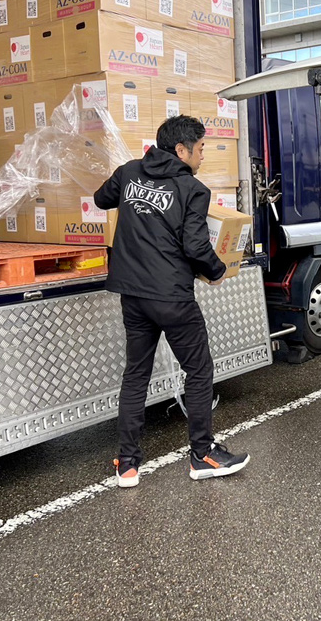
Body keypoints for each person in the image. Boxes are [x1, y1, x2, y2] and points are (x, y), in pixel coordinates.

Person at [94, 115, 249, 486]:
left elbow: (102, 199)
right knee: (198, 371)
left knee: (136, 375)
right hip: (172, 297)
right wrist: (217, 271)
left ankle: (128, 463)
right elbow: (196, 246)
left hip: (133, 295)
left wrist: (135, 196)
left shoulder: (129, 171)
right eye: (199, 149)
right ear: (180, 150)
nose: (202, 157)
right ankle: (202, 455)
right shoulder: (192, 188)